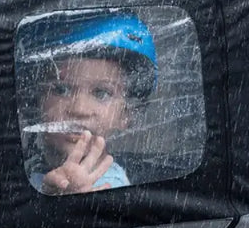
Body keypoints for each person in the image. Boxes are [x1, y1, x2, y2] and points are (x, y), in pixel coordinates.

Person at [18, 11, 157, 195]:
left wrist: (69, 198)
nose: (79, 109)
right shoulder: (23, 170)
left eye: (101, 93)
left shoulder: (110, 187)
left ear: (126, 114)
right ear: (34, 100)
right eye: (61, 90)